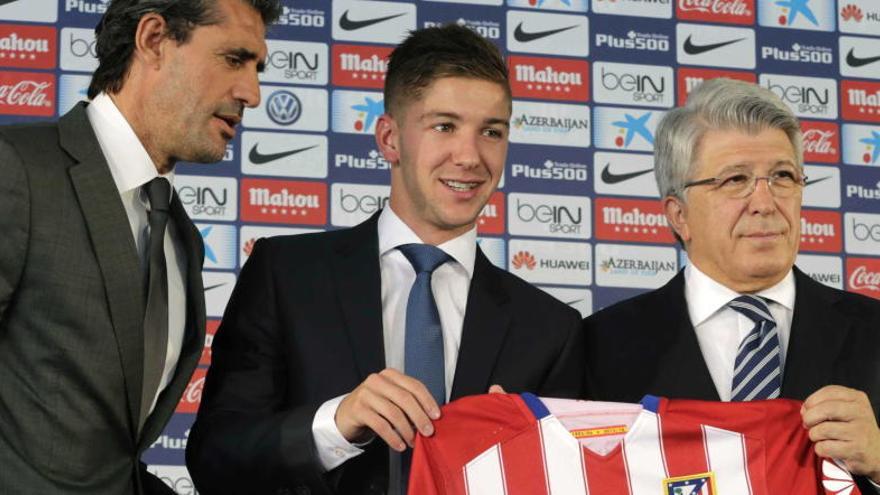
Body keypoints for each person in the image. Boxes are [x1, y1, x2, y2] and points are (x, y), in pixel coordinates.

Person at [186, 24, 585, 495]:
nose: (470, 156)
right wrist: (335, 424)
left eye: (491, 132)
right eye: (444, 126)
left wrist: (521, 458)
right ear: (390, 138)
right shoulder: (287, 274)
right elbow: (215, 458)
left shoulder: (550, 329)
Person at [0, 0, 279, 493]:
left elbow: (112, 458)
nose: (252, 93)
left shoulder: (181, 236)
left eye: (257, 68)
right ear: (153, 39)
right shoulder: (17, 170)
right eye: (234, 59)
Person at [583, 78, 880, 492]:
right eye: (735, 180)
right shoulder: (598, 346)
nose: (765, 201)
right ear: (679, 214)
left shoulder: (873, 331)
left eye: (782, 176)